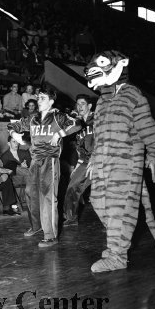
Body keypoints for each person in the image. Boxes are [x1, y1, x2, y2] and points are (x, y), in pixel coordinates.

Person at [83, 50, 155, 274]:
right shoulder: (101, 101)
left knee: (118, 210)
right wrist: (93, 158)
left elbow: (149, 130)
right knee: (98, 202)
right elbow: (98, 134)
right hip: (101, 160)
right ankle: (116, 243)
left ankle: (117, 255)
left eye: (101, 63)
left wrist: (153, 156)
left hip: (126, 162)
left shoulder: (134, 96)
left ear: (120, 65)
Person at [7, 88, 81, 247]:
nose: (38, 100)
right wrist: (15, 135)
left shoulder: (58, 116)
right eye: (38, 98)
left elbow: (77, 123)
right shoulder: (32, 118)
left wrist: (59, 134)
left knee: (48, 197)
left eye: (42, 98)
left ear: (51, 101)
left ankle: (51, 235)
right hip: (35, 160)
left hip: (50, 160)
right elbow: (11, 125)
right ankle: (37, 226)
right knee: (30, 194)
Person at [62, 94, 95, 227]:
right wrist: (78, 165)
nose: (79, 106)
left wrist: (95, 158)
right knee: (72, 187)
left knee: (102, 195)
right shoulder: (78, 124)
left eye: (82, 103)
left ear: (89, 106)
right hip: (85, 162)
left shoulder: (98, 119)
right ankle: (71, 218)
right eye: (78, 104)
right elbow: (79, 148)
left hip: (100, 160)